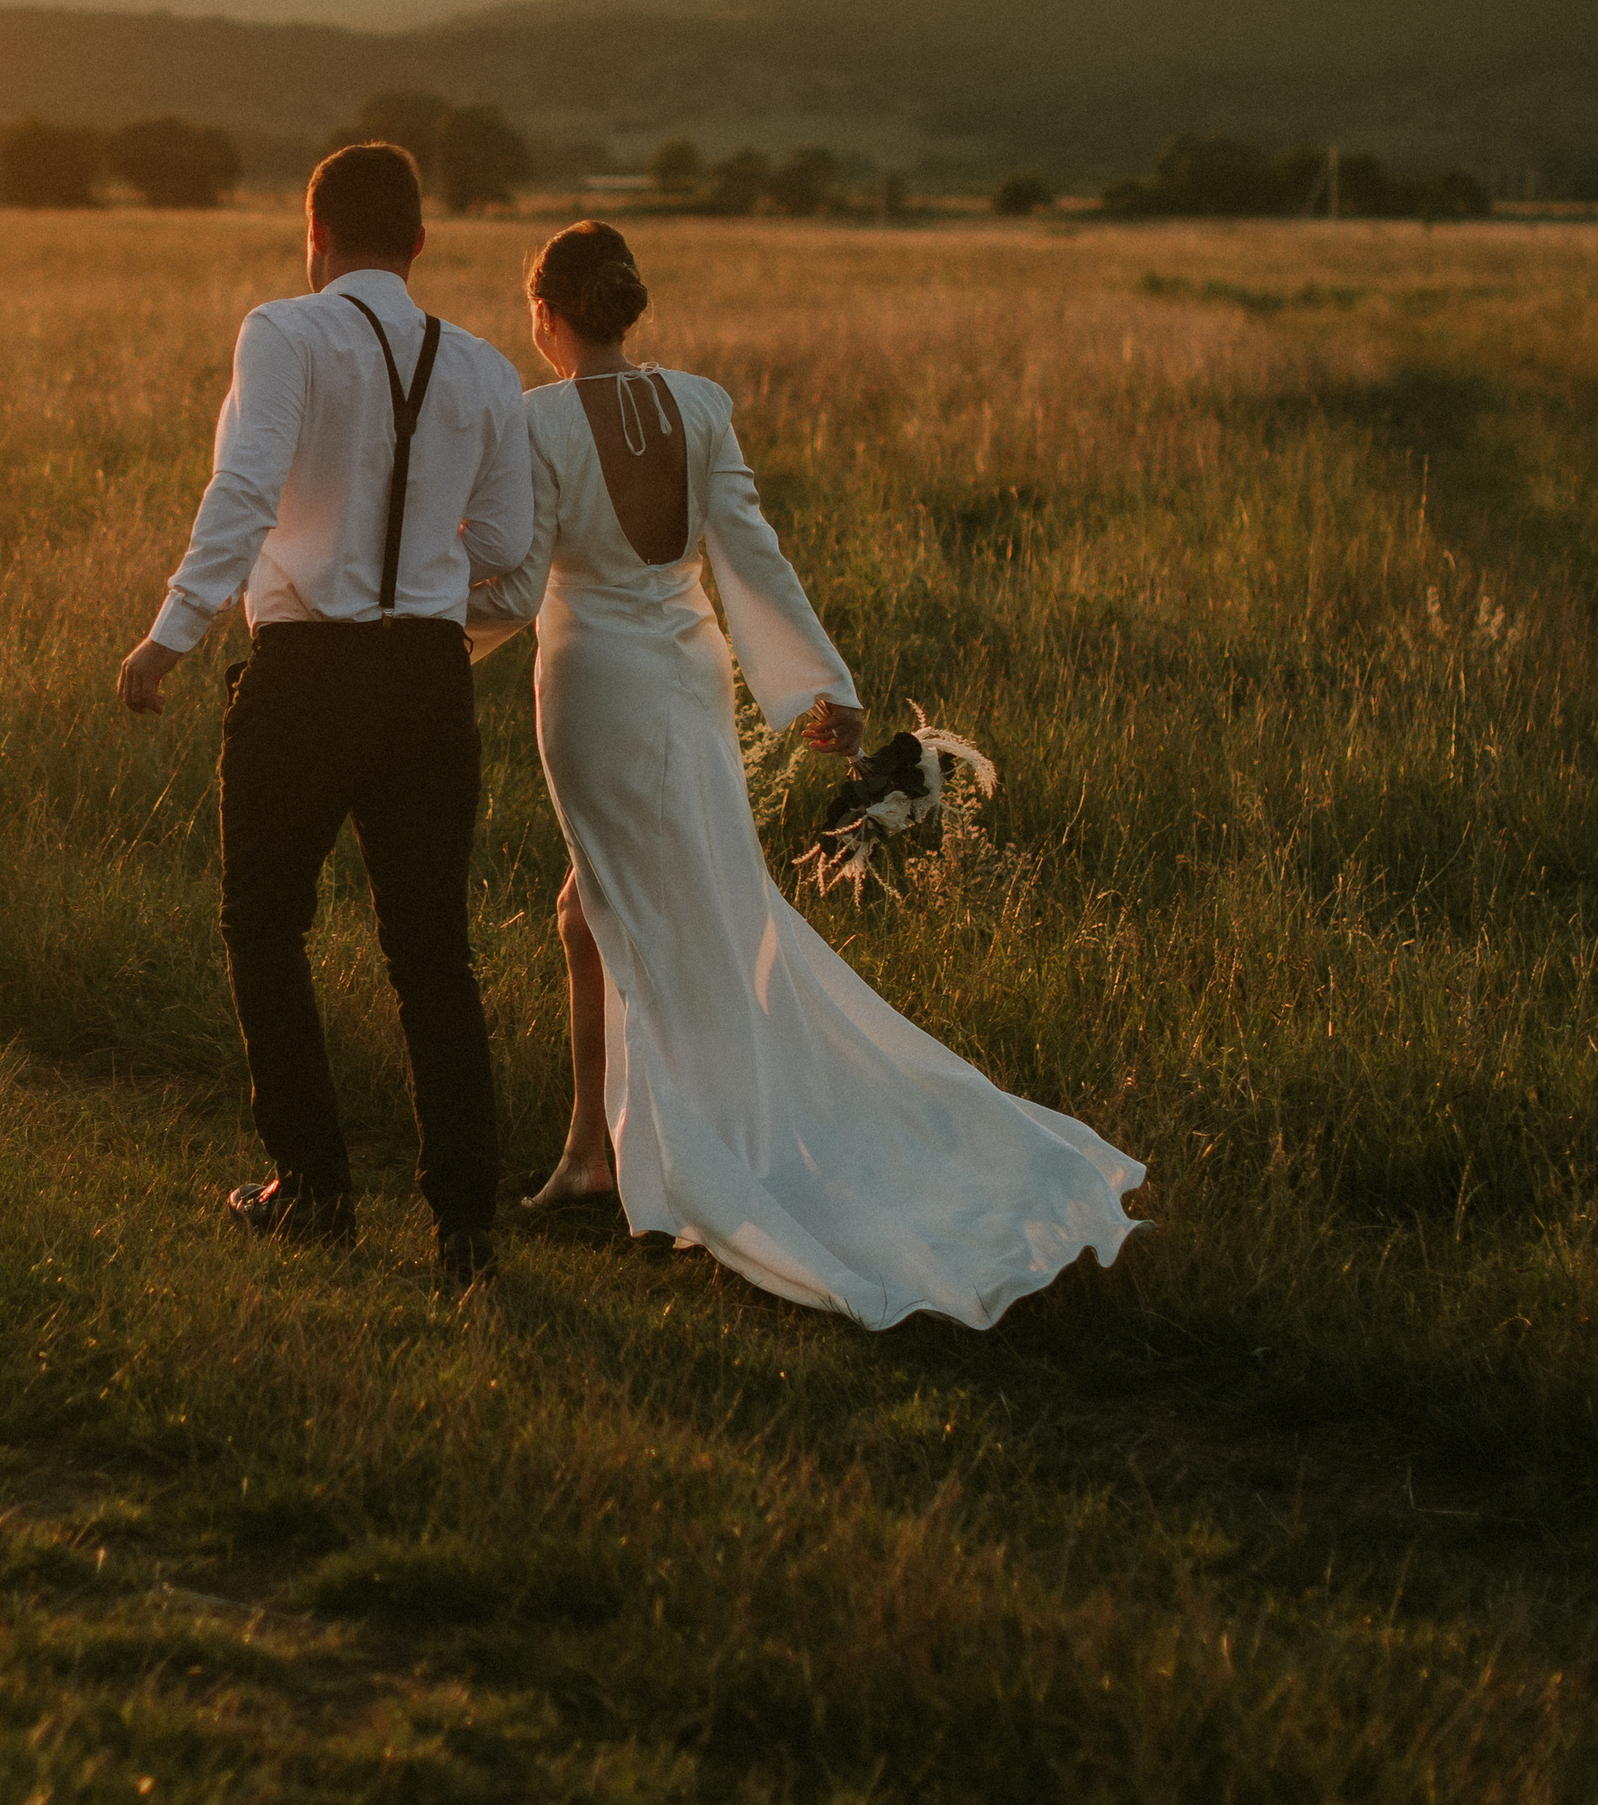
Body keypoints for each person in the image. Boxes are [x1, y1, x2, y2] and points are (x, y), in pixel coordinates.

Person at [472, 220, 1143, 1331]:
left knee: (611, 904)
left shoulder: (534, 418)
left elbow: (514, 585)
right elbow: (749, 549)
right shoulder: (699, 402)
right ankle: (591, 1150)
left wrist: (410, 633)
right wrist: (816, 688)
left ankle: (631, 1153)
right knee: (602, 906)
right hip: (691, 679)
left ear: (544, 314)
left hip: (592, 684)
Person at [118, 142, 534, 1287]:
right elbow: (504, 550)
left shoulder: (284, 331)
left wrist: (172, 633)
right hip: (428, 682)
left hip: (303, 674)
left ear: (315, 238)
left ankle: (312, 1190)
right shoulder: (486, 367)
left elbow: (245, 490)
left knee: (263, 927)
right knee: (430, 952)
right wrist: (425, 583)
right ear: (418, 243)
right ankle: (464, 1226)